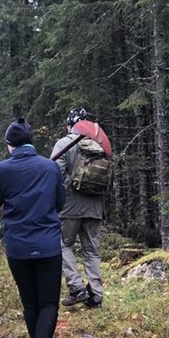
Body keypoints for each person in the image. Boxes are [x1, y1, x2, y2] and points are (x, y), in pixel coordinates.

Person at [0, 118, 65, 338]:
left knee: (31, 303)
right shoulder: (50, 167)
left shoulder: (3, 169)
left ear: (10, 145)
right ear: (31, 142)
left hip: (18, 247)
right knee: (48, 303)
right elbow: (60, 202)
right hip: (48, 245)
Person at [50, 107, 112, 309]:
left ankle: (77, 288)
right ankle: (96, 294)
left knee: (63, 245)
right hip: (95, 206)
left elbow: (54, 175)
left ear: (70, 125)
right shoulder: (101, 144)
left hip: (69, 206)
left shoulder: (64, 144)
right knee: (91, 251)